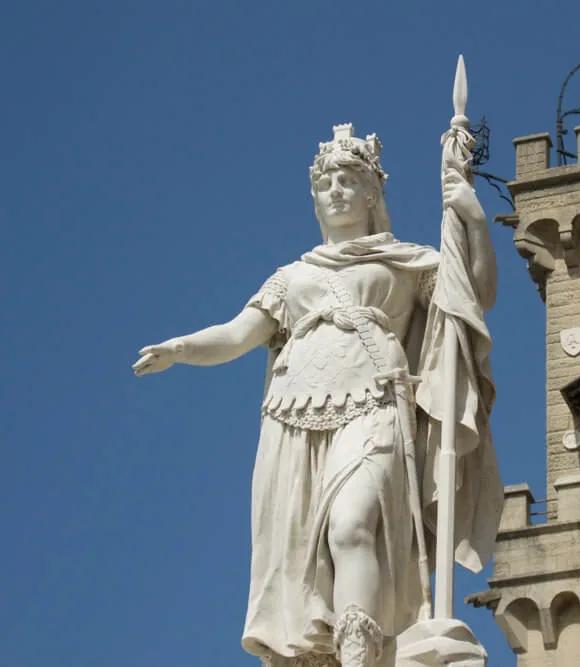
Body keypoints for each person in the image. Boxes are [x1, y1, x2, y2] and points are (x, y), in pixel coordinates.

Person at [132, 124, 501, 667]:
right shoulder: (293, 276)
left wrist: (471, 216)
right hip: (295, 415)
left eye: (349, 179)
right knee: (312, 544)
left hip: (375, 402)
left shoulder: (402, 261)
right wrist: (181, 346)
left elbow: (474, 297)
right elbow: (238, 334)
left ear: (373, 193)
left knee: (352, 524)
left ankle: (360, 654)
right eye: (326, 181)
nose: (336, 190)